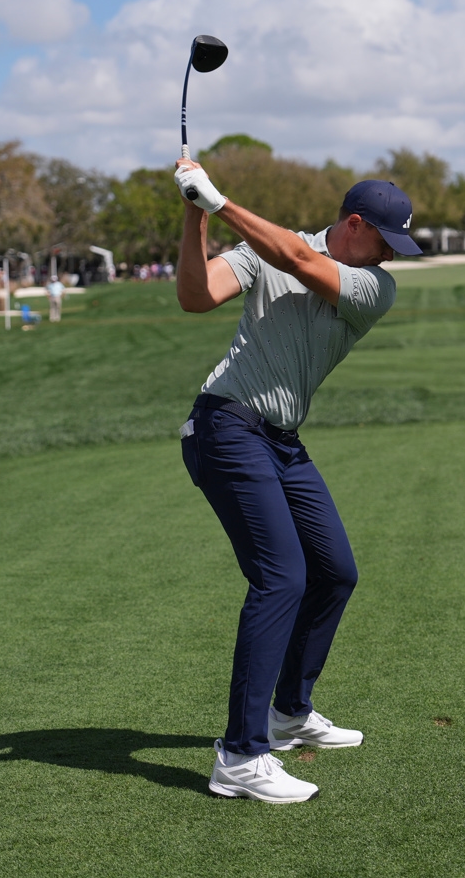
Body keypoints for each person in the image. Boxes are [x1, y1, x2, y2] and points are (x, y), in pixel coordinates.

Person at [172, 159, 420, 804]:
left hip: (280, 441)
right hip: (225, 427)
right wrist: (195, 212)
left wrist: (221, 201)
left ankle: (287, 713)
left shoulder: (371, 287)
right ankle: (240, 755)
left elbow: (300, 263)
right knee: (281, 577)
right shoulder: (265, 250)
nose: (394, 256)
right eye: (389, 241)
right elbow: (196, 296)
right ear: (356, 224)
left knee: (334, 571)